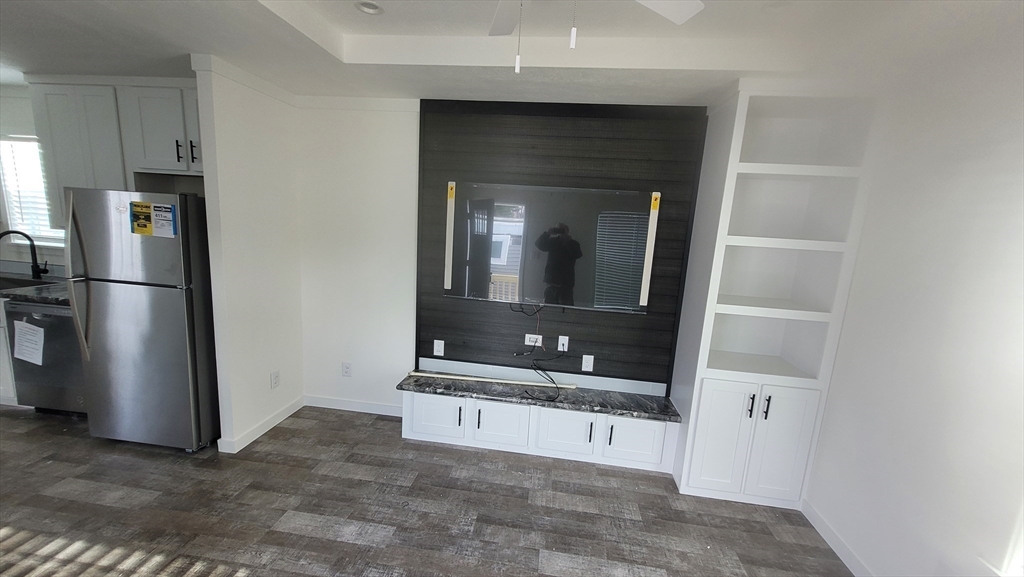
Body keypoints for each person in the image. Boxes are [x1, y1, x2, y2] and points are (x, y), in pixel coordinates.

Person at [535, 223, 583, 305]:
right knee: (548, 308)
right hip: (551, 281)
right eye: (558, 229)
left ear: (567, 231)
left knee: (566, 309)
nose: (560, 232)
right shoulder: (553, 241)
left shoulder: (573, 243)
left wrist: (567, 241)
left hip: (566, 283)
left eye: (562, 230)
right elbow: (539, 245)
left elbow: (577, 255)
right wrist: (547, 233)